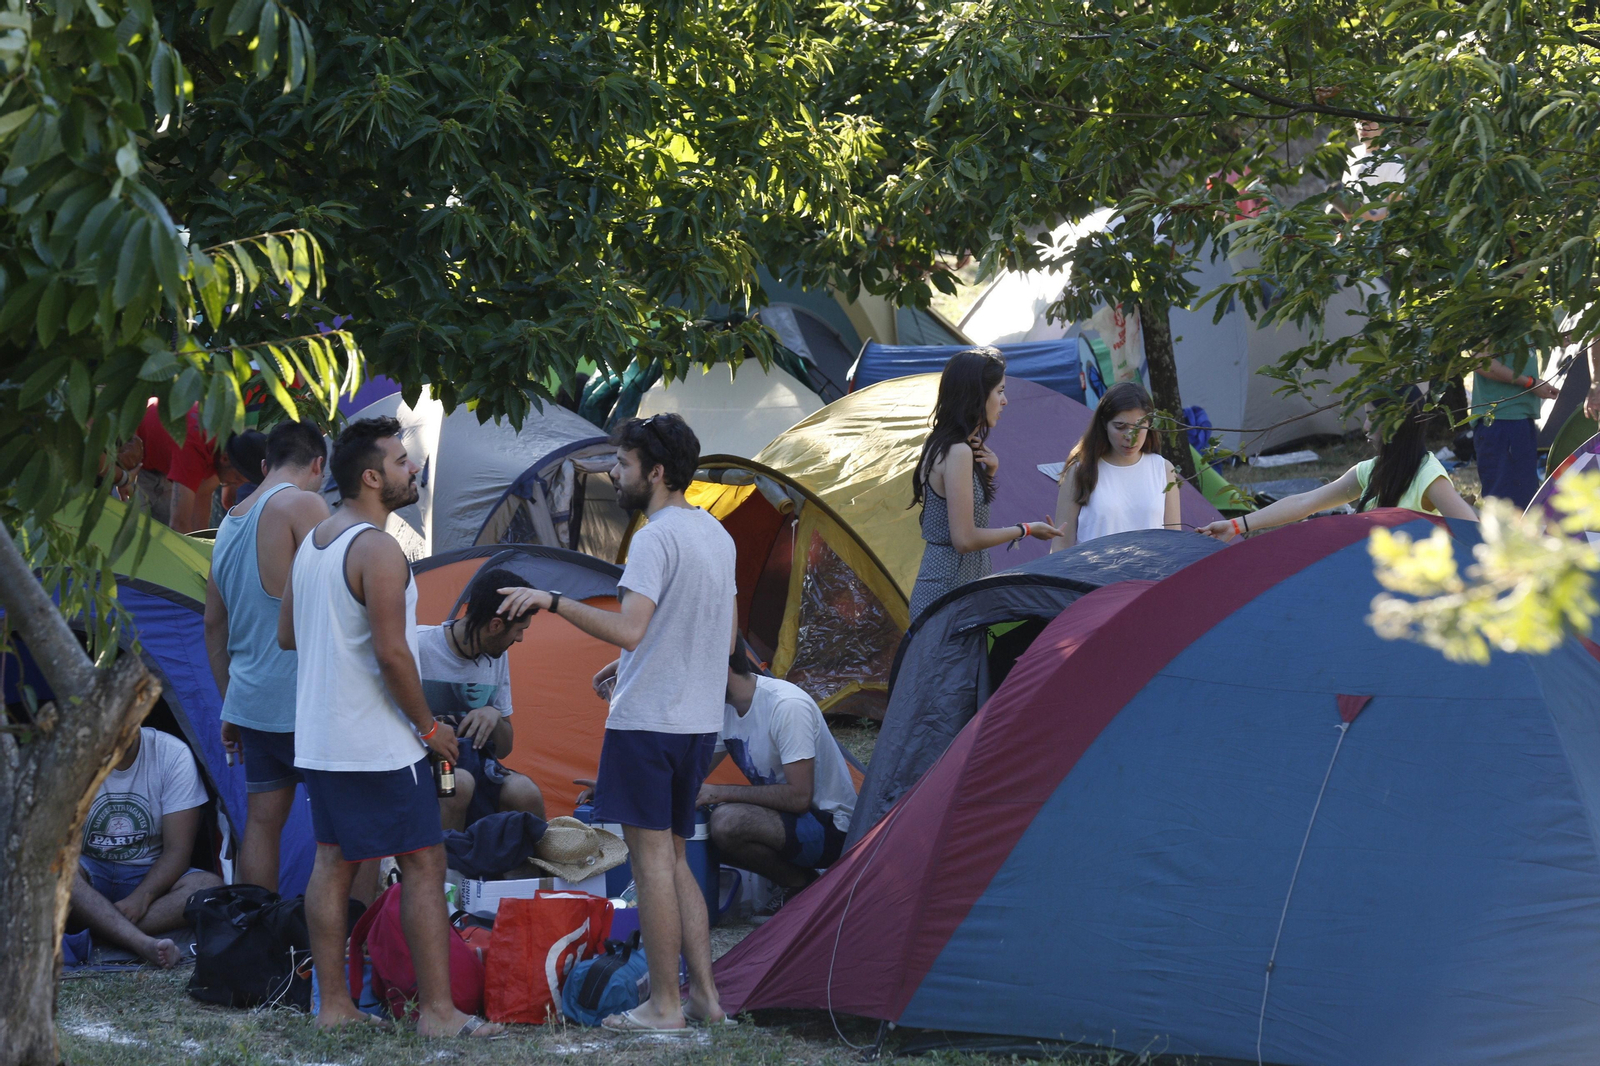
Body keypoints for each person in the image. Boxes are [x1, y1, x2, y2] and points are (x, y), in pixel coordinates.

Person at [499, 412, 736, 1032]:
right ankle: (705, 999)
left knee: (651, 864)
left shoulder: (654, 539)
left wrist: (554, 600)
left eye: (624, 464)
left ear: (655, 472)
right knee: (675, 858)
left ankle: (664, 1007)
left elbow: (631, 627)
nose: (613, 472)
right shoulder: (716, 534)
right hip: (695, 723)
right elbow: (718, 630)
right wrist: (630, 663)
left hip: (648, 724)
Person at [277, 416, 500, 1038]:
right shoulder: (377, 549)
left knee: (333, 862)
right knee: (425, 863)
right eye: (402, 461)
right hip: (375, 743)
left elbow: (288, 634)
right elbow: (393, 654)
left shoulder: (315, 543)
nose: (414, 469)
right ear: (373, 478)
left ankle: (333, 1007)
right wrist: (430, 730)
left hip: (321, 737)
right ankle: (438, 1014)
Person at [205, 420, 331, 892]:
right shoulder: (304, 504)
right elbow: (337, 593)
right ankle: (343, 932)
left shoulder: (230, 521)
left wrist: (231, 704)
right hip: (305, 702)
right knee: (341, 834)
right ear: (317, 465)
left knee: (262, 825)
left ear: (264, 465)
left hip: (251, 703)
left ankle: (255, 929)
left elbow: (213, 624)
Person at [1200, 388, 1478, 540]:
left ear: (1396, 423)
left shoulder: (1428, 476)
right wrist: (1236, 525)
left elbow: (1473, 532)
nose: (1365, 426)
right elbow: (1304, 503)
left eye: (1372, 417)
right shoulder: (1370, 471)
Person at [699, 651, 857, 916]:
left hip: (831, 826)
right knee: (693, 825)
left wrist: (719, 792)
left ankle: (801, 885)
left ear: (722, 669)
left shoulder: (786, 705)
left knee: (726, 822)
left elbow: (799, 798)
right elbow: (692, 774)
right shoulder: (724, 709)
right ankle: (803, 884)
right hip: (786, 819)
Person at [908, 348, 1061, 620]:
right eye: (999, 391)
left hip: (956, 591)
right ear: (977, 394)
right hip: (946, 597)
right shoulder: (957, 451)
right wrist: (1026, 529)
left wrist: (989, 472)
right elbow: (965, 540)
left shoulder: (947, 445)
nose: (1005, 401)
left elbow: (964, 515)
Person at [69, 726, 223, 968]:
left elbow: (177, 852)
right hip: (89, 874)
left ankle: (97, 938)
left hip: (150, 876)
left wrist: (141, 898)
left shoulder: (172, 754)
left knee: (209, 888)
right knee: (59, 875)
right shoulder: (70, 759)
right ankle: (141, 943)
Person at [416, 568, 546, 831]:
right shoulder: (418, 647)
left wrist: (494, 715)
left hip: (476, 764)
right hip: (422, 765)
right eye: (519, 630)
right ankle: (450, 858)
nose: (520, 639)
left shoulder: (495, 656)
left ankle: (541, 859)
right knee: (457, 784)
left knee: (526, 792)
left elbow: (504, 749)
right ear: (496, 625)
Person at [1051, 381, 1182, 551]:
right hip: (1093, 568)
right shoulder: (1080, 470)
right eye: (1120, 427)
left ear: (1150, 425)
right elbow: (1061, 544)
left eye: (1138, 427)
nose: (1130, 437)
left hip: (1153, 568)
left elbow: (1174, 543)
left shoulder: (1163, 470)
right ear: (1104, 423)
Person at [136, 399, 250, 532]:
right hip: (136, 463)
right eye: (237, 479)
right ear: (225, 459)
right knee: (134, 530)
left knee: (165, 532)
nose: (237, 485)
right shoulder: (194, 452)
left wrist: (201, 541)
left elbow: (203, 497)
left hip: (167, 462)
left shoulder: (228, 444)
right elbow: (178, 523)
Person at [1470, 348, 1559, 509]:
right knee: (1507, 506)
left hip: (1519, 420)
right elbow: (1480, 360)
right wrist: (1530, 383)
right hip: (1501, 420)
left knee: (1525, 500)